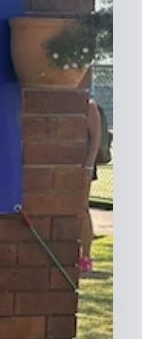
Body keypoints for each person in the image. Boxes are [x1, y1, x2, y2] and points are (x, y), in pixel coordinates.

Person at [78, 95, 105, 276]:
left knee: (82, 209)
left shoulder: (89, 105)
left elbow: (95, 137)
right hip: (68, 165)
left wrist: (88, 165)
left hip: (85, 165)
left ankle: (86, 257)